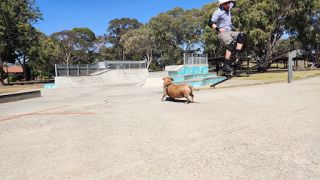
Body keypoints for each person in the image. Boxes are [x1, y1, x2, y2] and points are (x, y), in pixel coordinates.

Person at [208, 0, 247, 74]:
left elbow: (234, 2)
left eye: (229, 3)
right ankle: (226, 65)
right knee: (232, 43)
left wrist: (230, 1)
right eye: (226, 3)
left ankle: (237, 55)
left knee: (242, 35)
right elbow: (210, 22)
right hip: (222, 33)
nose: (229, 5)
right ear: (222, 5)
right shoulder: (218, 12)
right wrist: (218, 29)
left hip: (230, 31)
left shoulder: (229, 6)